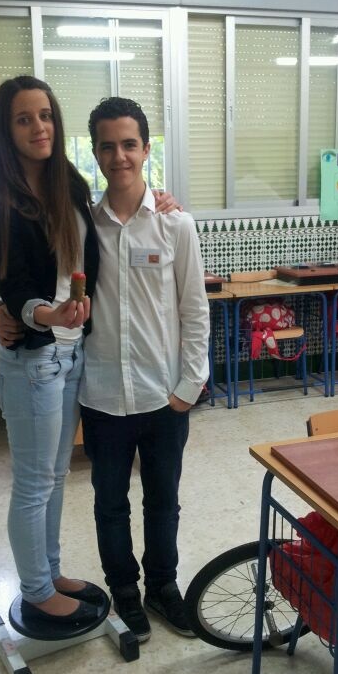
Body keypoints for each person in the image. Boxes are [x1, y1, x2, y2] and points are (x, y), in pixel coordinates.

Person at [0, 75, 104, 629]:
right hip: (33, 362)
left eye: (45, 115)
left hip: (70, 355)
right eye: (23, 119)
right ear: (6, 130)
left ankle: (50, 573)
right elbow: (16, 283)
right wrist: (42, 314)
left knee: (54, 477)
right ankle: (36, 591)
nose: (38, 127)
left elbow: (94, 249)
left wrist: (162, 201)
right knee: (32, 482)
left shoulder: (68, 183)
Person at [78, 96, 210, 642]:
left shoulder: (176, 225)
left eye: (129, 144)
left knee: (163, 502)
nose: (120, 156)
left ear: (146, 148)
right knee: (110, 504)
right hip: (103, 396)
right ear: (95, 153)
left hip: (163, 396)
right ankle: (125, 593)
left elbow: (194, 309)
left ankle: (162, 587)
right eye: (108, 146)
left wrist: (189, 385)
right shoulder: (82, 228)